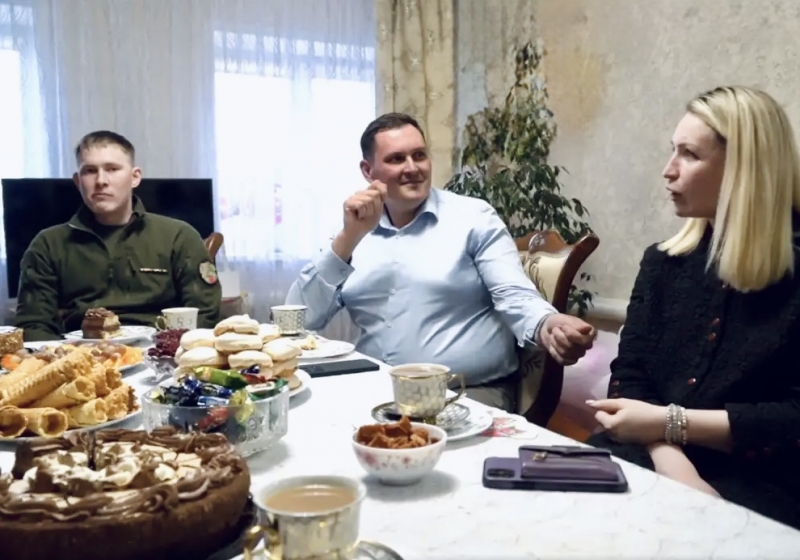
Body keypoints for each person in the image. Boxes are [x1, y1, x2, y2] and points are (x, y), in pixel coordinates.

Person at [586, 86, 800, 529]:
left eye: (690, 155)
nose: (668, 170)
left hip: (763, 481)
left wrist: (668, 422)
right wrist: (672, 457)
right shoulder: (663, 261)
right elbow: (630, 378)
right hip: (650, 457)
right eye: (673, 151)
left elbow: (792, 421)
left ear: (743, 169)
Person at [286, 113, 595, 411]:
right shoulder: (352, 230)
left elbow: (514, 293)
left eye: (419, 155)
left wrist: (547, 323)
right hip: (374, 389)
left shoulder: (474, 218)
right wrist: (348, 238)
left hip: (463, 392)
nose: (412, 168)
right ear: (368, 171)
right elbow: (297, 320)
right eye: (396, 159)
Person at [15, 130, 221, 341]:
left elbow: (205, 314)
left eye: (112, 169)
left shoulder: (178, 236)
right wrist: (64, 356)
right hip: (81, 352)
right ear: (78, 181)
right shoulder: (48, 245)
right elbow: (33, 325)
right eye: (90, 171)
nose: (101, 180)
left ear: (135, 177)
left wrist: (168, 349)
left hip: (161, 351)